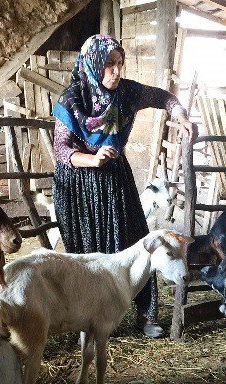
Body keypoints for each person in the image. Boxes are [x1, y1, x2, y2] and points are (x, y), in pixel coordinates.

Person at [52, 34, 196, 338]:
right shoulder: (71, 99)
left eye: (120, 63)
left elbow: (165, 98)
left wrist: (181, 115)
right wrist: (92, 160)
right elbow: (62, 151)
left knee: (138, 240)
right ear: (93, 64)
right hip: (78, 184)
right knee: (87, 253)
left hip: (115, 178)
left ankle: (146, 314)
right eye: (109, 65)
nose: (117, 71)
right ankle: (88, 319)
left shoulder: (128, 93)